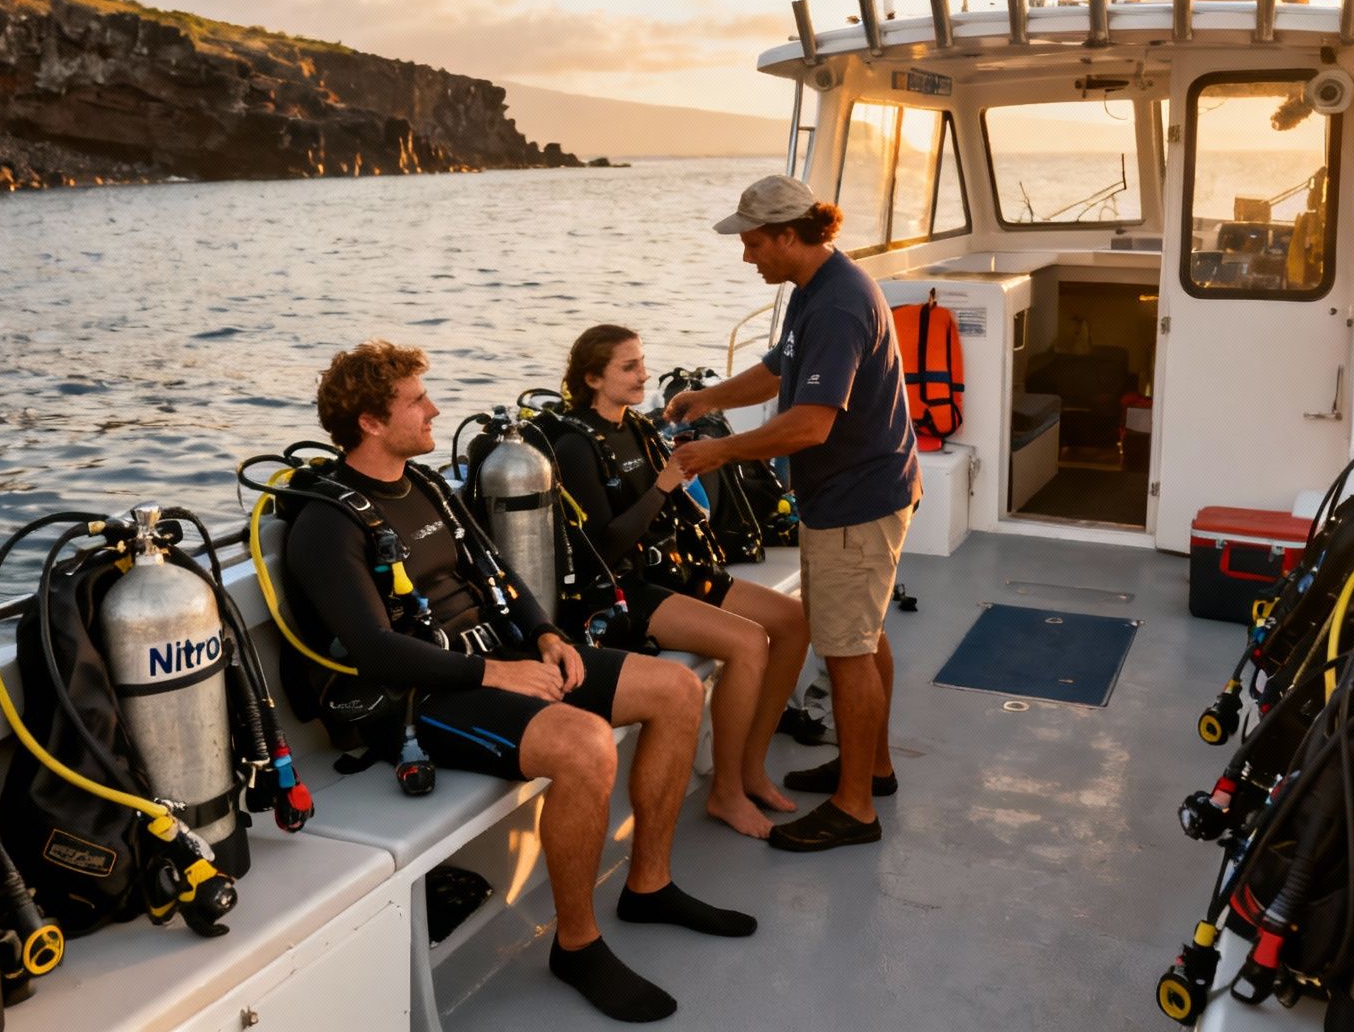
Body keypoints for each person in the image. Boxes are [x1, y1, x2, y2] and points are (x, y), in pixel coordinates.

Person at [284, 340, 755, 1023]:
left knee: (677, 691)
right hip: (418, 699)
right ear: (370, 423)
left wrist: (547, 637)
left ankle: (648, 885)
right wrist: (499, 671)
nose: (434, 410)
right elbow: (376, 651)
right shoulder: (327, 524)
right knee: (586, 743)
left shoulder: (423, 487)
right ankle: (577, 943)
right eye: (417, 401)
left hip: (497, 658)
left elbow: (498, 573)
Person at [668, 175, 921, 854]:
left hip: (853, 503)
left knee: (846, 653)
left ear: (789, 235)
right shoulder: (817, 287)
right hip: (863, 491)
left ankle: (854, 808)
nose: (747, 256)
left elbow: (809, 424)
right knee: (861, 636)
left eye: (753, 243)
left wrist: (718, 452)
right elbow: (782, 369)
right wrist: (708, 396)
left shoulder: (837, 306)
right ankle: (874, 765)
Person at [549, 324, 811, 839]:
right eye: (629, 367)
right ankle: (726, 791)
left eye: (643, 362)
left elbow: (674, 512)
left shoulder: (637, 428)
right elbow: (605, 546)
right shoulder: (575, 445)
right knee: (747, 642)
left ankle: (751, 768)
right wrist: (663, 485)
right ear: (592, 378)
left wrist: (681, 481)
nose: (643, 375)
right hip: (628, 589)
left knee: (794, 621)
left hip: (676, 569)